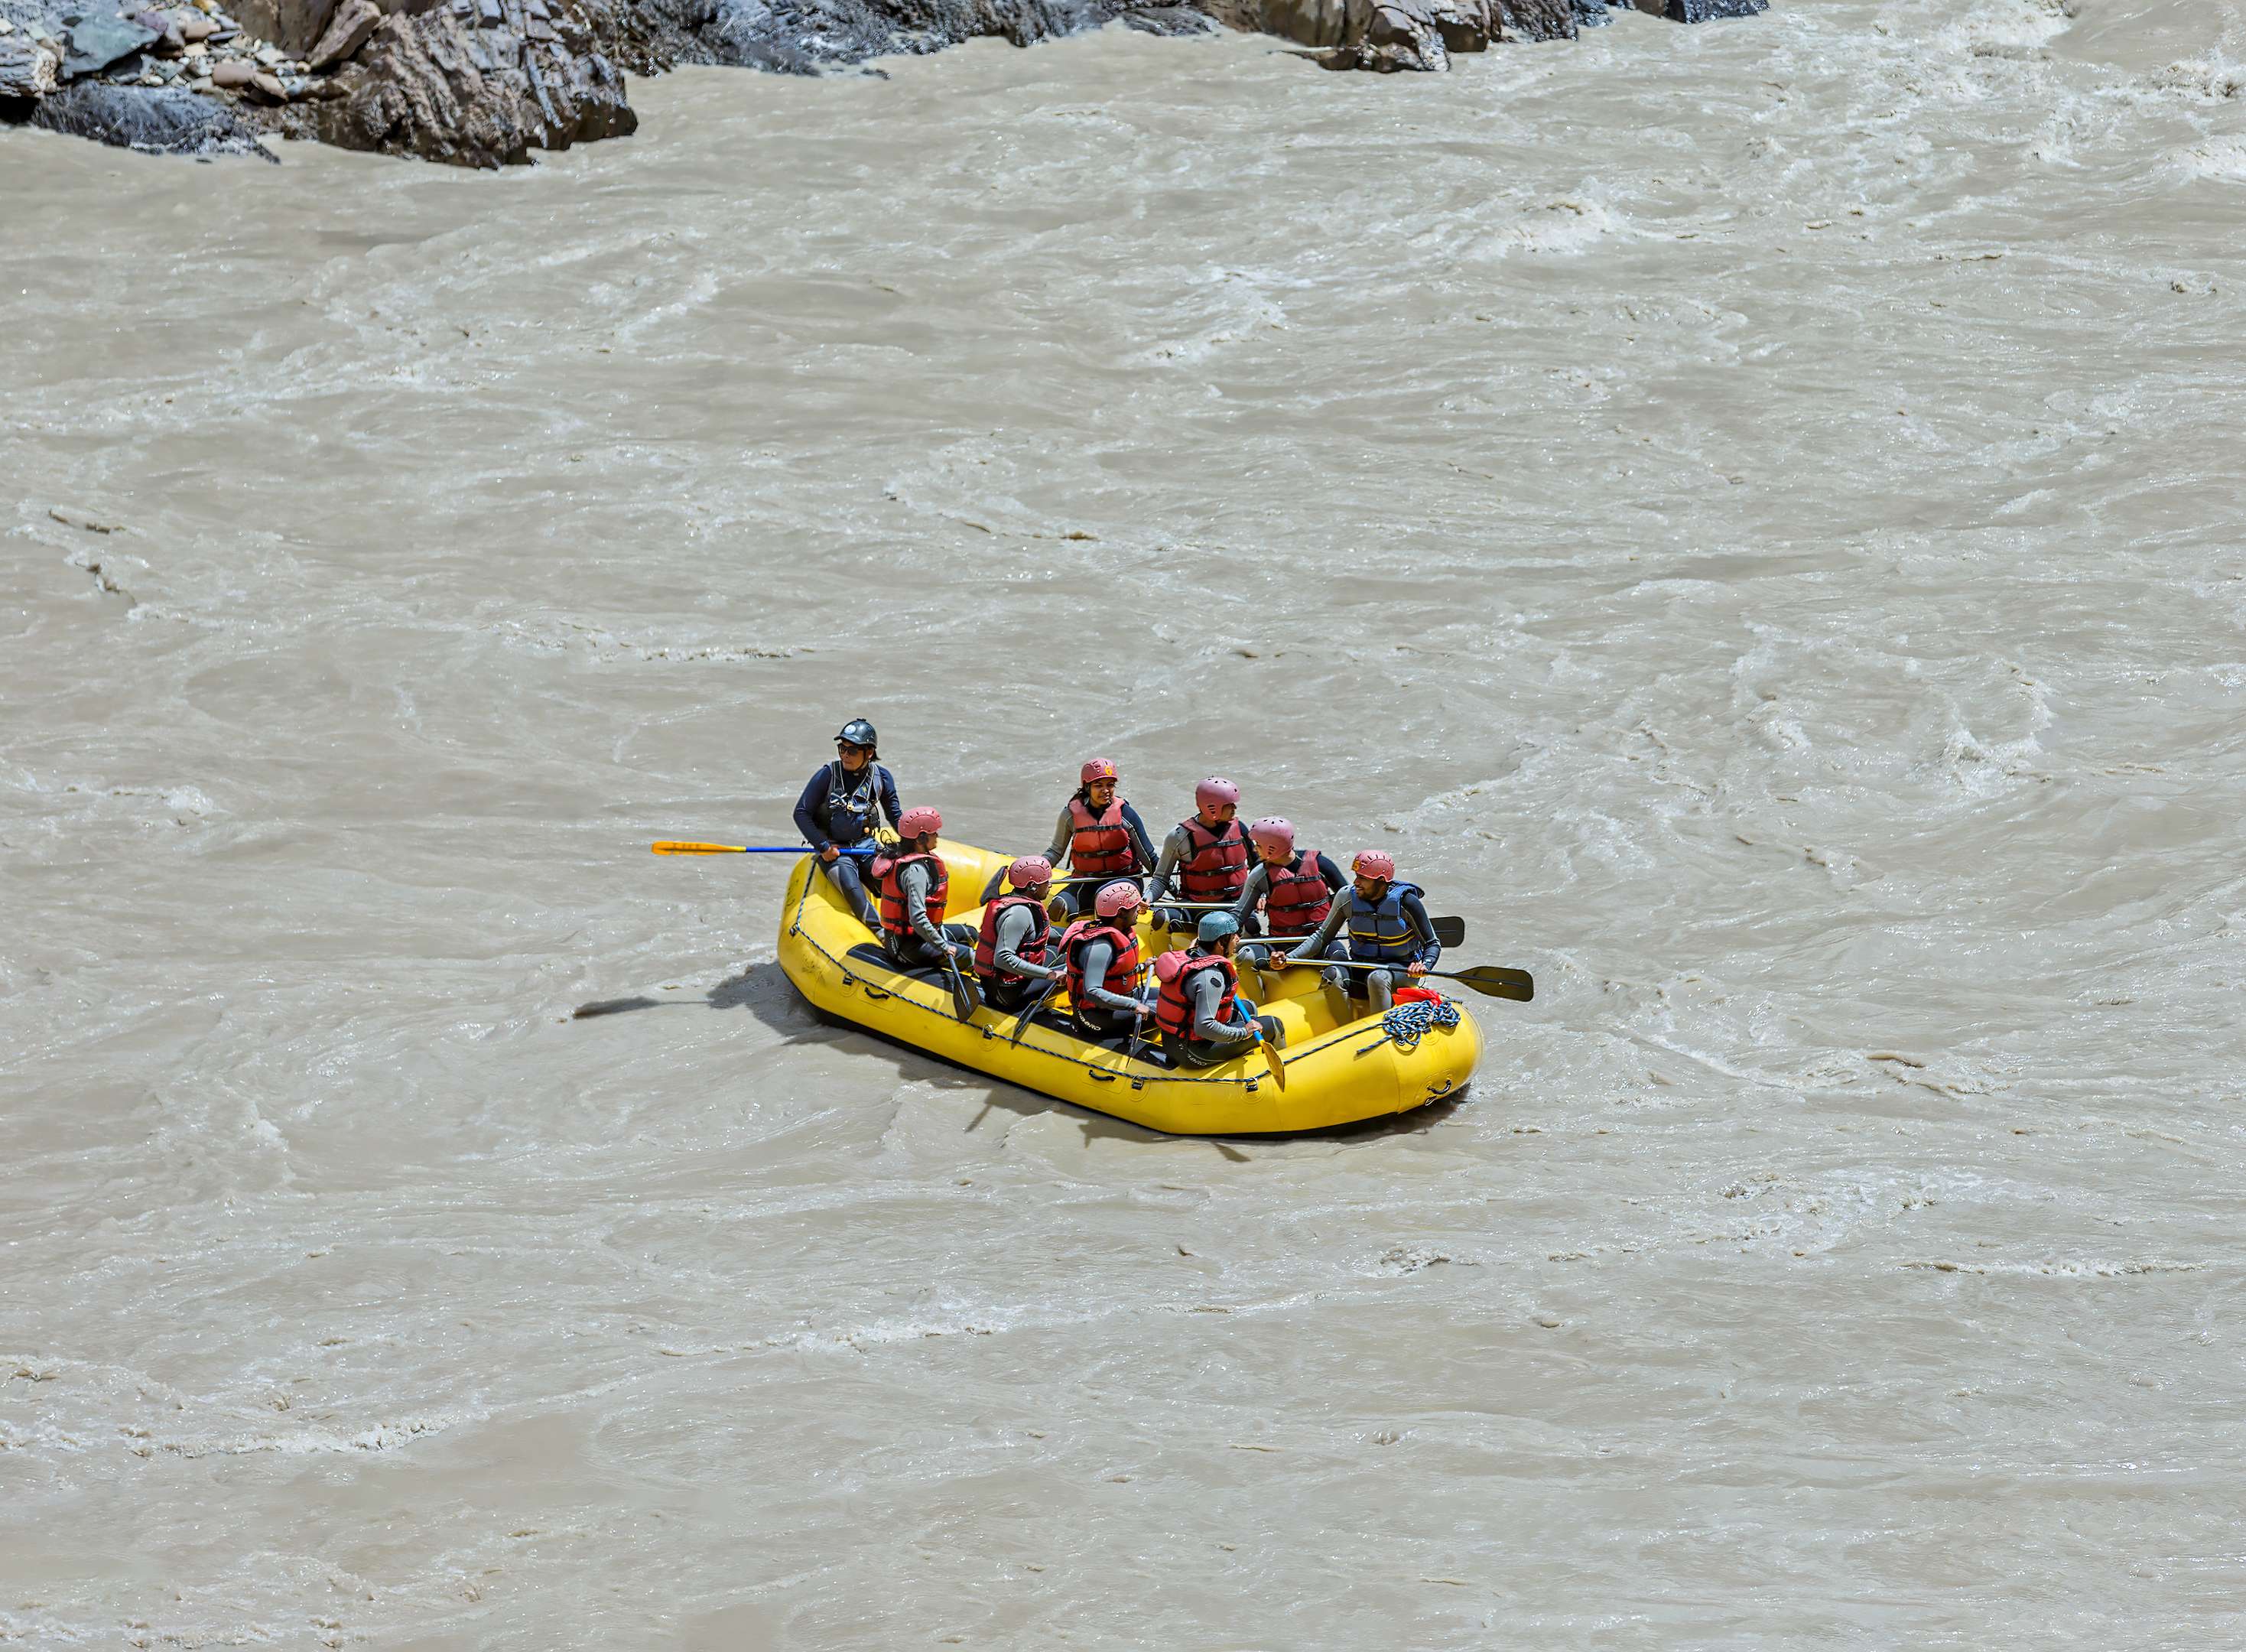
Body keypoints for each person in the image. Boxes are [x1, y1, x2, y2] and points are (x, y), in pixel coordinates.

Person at [1276, 850, 1440, 1013]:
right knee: (1332, 974)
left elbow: (1432, 943)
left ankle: (1379, 1029)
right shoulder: (1346, 898)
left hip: (1400, 971)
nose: (1356, 882)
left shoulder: (1407, 902)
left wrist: (1424, 965)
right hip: (1362, 965)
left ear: (1381, 881)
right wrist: (1290, 958)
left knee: (1378, 978)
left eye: (1363, 878)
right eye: (1356, 876)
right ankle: (1345, 1030)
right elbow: (1321, 937)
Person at [791, 718, 902, 930]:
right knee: (852, 888)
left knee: (896, 880)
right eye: (842, 748)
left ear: (869, 753)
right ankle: (880, 933)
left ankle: (906, 927)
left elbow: (895, 816)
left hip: (866, 847)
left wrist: (912, 844)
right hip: (835, 850)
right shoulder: (827, 774)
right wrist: (823, 846)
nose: (844, 755)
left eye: (852, 750)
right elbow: (801, 813)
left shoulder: (882, 778)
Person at [1152, 912, 1277, 1068]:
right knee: (1273, 1024)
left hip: (1174, 1042)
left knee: (1248, 1007)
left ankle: (1242, 1056)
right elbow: (1204, 1026)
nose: (1238, 939)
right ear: (1220, 943)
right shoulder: (1210, 976)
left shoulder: (1189, 955)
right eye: (1233, 937)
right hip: (1193, 1052)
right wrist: (1243, 1032)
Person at [1041, 758, 1159, 919]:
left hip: (1124, 881)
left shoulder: (1126, 814)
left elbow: (1149, 857)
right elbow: (1055, 851)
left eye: (1110, 785)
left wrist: (1165, 887)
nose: (1106, 790)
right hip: (1087, 881)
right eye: (1099, 785)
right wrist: (1038, 870)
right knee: (1058, 906)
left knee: (1107, 901)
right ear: (1087, 787)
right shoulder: (1070, 815)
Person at [1231, 818, 1350, 970]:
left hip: (1321, 943)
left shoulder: (1321, 865)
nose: (1255, 850)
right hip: (1280, 946)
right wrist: (1215, 932)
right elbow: (1240, 915)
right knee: (1245, 957)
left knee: (1339, 956)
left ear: (1271, 848)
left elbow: (1352, 901)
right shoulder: (1260, 875)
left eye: (1258, 845)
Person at [869, 806, 973, 974]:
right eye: (933, 833)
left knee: (970, 934)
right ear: (920, 839)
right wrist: (943, 946)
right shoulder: (915, 871)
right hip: (906, 945)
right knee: (971, 956)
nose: (937, 836)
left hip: (915, 937)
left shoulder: (904, 855)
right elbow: (917, 919)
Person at [1149, 777, 1253, 932]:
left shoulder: (1241, 830)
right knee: (1160, 919)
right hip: (1194, 906)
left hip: (1235, 906)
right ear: (1212, 807)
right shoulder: (1179, 837)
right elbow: (1160, 879)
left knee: (1252, 928)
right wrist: (1147, 898)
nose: (1234, 808)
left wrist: (1259, 897)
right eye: (1229, 805)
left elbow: (1260, 867)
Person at [1057, 879, 1153, 1039]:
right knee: (1167, 1017)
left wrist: (1143, 966)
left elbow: (1116, 972)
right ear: (1121, 912)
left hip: (1119, 1001)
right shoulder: (1102, 946)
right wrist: (1134, 1005)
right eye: (1134, 907)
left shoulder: (1121, 932)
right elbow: (1092, 992)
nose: (1138, 910)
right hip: (1095, 1016)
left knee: (1168, 1001)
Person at [973, 856, 1061, 1013]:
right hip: (1008, 992)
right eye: (1046, 882)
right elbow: (1003, 958)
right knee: (1074, 967)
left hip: (1009, 982)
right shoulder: (1019, 914)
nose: (1050, 885)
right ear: (1033, 886)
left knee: (1065, 947)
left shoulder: (1019, 900)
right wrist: (1050, 974)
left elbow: (1043, 933)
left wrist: (1077, 935)